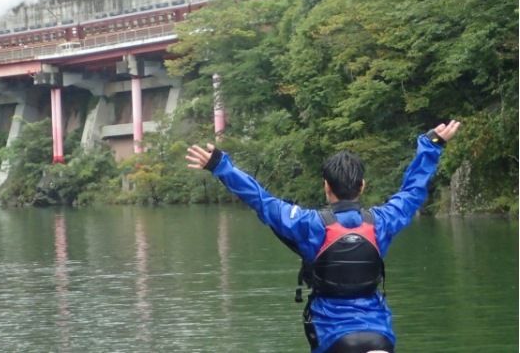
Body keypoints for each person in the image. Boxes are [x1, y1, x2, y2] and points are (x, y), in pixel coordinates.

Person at [186, 120, 461, 353]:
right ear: (362, 186)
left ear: (326, 186)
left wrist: (221, 166)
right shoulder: (383, 222)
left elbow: (260, 199)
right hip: (379, 336)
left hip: (331, 335)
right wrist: (432, 144)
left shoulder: (308, 225)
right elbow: (413, 190)